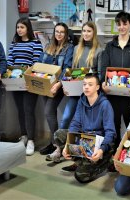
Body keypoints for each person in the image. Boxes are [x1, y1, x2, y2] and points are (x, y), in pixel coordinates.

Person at [46, 22, 103, 170]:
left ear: (94, 32)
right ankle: (59, 149)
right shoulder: (77, 49)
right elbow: (71, 72)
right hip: (76, 93)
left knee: (87, 126)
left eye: (89, 31)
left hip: (90, 94)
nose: (85, 34)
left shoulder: (99, 51)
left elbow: (100, 74)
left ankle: (83, 155)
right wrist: (66, 86)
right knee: (66, 119)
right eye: (83, 31)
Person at [57, 73, 116, 183]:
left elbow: (110, 132)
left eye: (90, 84)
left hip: (99, 144)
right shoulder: (81, 101)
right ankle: (80, 162)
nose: (86, 87)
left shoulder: (105, 104)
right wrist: (67, 145)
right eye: (84, 84)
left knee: (80, 176)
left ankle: (106, 162)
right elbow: (75, 123)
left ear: (97, 87)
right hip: (85, 140)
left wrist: (101, 150)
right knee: (59, 135)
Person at [101, 11, 130, 152]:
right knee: (113, 126)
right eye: (119, 24)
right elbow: (104, 67)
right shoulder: (110, 46)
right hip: (112, 94)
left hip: (129, 94)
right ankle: (114, 156)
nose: (122, 27)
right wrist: (103, 82)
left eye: (124, 24)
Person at [7, 17, 43, 155]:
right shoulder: (14, 43)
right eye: (17, 27)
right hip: (15, 82)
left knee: (29, 111)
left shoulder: (35, 43)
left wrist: (28, 71)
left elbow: (37, 63)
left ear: (28, 28)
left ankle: (31, 140)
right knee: (20, 110)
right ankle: (24, 136)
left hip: (29, 82)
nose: (19, 30)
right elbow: (10, 60)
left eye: (22, 27)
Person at [37, 22, 74, 159]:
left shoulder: (69, 48)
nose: (59, 34)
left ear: (66, 34)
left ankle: (57, 145)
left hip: (58, 86)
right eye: (57, 31)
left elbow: (67, 68)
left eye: (62, 32)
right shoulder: (48, 46)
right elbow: (40, 65)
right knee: (49, 113)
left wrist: (58, 84)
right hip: (45, 85)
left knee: (48, 112)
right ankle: (53, 143)